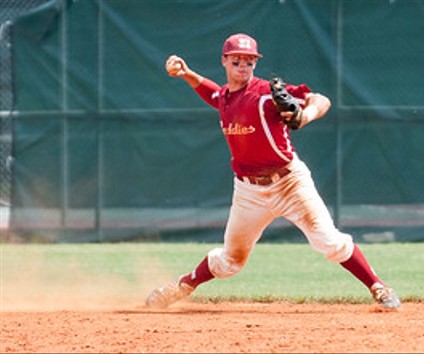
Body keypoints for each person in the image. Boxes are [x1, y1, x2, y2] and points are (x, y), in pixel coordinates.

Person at [145, 33, 400, 310]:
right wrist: (187, 74)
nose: (243, 66)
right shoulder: (225, 97)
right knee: (231, 260)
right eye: (237, 61)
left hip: (289, 183)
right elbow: (214, 94)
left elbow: (320, 99)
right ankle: (181, 286)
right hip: (248, 191)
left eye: (249, 61)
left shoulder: (265, 94)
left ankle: (379, 287)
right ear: (224, 61)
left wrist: (305, 115)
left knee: (329, 242)